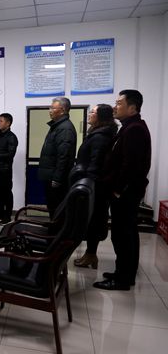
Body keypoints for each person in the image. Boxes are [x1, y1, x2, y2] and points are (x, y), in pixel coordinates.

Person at [93, 89, 151, 290]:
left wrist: (118, 190)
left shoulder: (135, 129)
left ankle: (123, 279)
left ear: (132, 108)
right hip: (125, 191)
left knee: (123, 235)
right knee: (125, 234)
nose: (114, 106)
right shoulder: (129, 127)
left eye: (119, 103)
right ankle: (124, 273)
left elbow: (130, 165)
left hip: (125, 193)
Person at [72, 104, 118, 269]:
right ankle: (91, 254)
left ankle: (91, 255)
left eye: (93, 112)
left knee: (93, 221)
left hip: (95, 188)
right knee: (92, 221)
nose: (90, 114)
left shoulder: (100, 137)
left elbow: (95, 163)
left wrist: (87, 186)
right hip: (94, 185)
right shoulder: (99, 133)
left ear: (101, 117)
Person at [38, 96, 76, 218]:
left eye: (53, 108)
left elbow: (63, 156)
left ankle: (56, 229)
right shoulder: (58, 126)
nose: (50, 110)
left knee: (57, 209)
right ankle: (54, 227)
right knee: (53, 208)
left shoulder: (64, 128)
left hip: (56, 179)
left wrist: (57, 179)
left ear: (63, 110)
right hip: (51, 176)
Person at [0, 113, 18, 225]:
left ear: (8, 123)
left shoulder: (11, 137)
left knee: (6, 193)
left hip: (5, 170)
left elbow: (10, 154)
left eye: (1, 121)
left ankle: (7, 216)